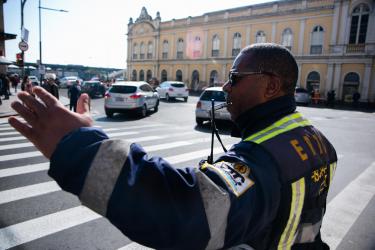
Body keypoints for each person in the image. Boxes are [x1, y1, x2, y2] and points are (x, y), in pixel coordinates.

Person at [8, 43, 337, 249]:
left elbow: (187, 213)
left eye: (235, 77)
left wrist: (81, 147)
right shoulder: (317, 142)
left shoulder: (264, 158)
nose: (225, 86)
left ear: (271, 86)